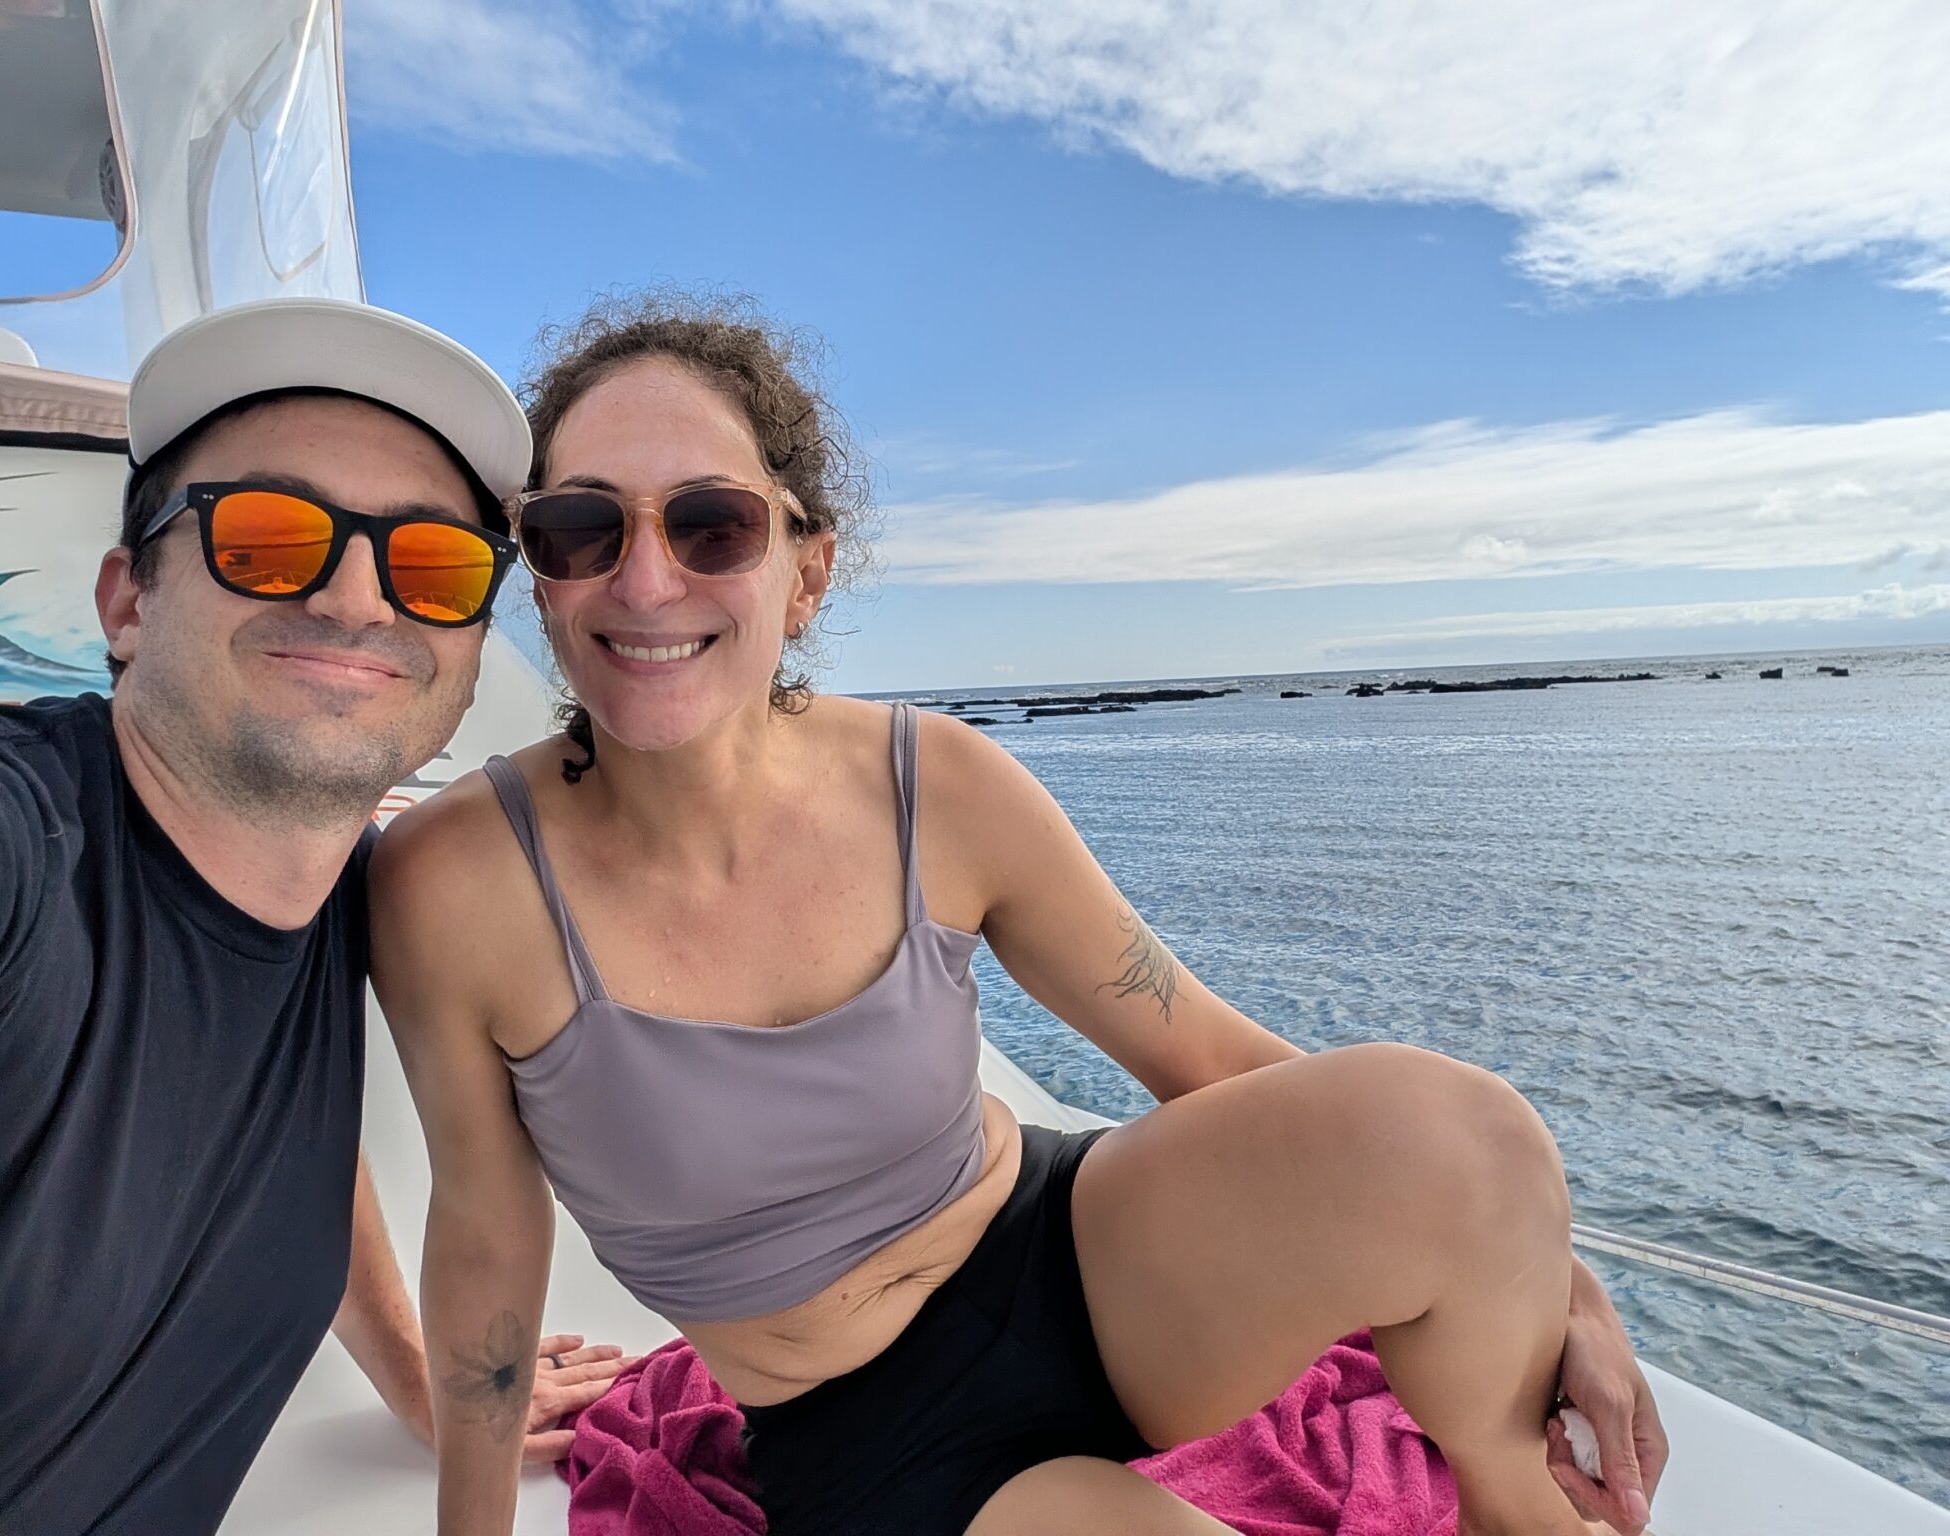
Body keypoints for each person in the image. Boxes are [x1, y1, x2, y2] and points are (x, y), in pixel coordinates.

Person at [374, 291, 1669, 1536]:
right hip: (864, 1433)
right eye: (583, 529)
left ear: (807, 572)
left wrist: (1563, 1289)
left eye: (713, 525)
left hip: (1081, 1259)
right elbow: (486, 1248)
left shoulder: (933, 783)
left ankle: (1519, 1515)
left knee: (1462, 1134)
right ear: (539, 578)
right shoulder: (458, 884)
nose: (648, 580)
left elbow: (1205, 1057)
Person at [0, 298, 627, 1536]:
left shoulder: (355, 899)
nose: (356, 599)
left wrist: (417, 1376)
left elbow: (285, 1125)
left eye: (433, 566)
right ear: (127, 604)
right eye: (267, 538)